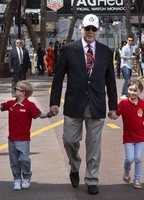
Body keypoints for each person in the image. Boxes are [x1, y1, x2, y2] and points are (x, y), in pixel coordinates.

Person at [49, 14, 117, 195]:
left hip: (97, 105)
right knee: (70, 141)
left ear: (98, 31)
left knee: (94, 145)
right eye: (87, 28)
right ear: (81, 29)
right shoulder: (69, 49)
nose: (90, 32)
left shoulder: (106, 51)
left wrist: (114, 106)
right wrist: (54, 102)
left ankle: (92, 179)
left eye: (94, 29)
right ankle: (74, 166)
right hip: (73, 104)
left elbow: (110, 81)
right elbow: (58, 77)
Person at [0, 80, 53, 190]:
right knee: (14, 161)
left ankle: (26, 177)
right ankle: (17, 179)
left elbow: (40, 115)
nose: (14, 90)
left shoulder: (29, 105)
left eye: (16, 89)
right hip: (11, 139)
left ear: (23, 93)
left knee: (24, 159)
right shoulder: (11, 104)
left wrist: (50, 114)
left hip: (23, 139)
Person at [109, 79, 144, 189]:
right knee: (129, 158)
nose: (132, 92)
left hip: (140, 137)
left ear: (140, 92)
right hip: (128, 137)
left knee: (138, 158)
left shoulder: (142, 104)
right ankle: (127, 171)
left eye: (135, 90)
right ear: (127, 90)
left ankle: (137, 179)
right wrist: (111, 114)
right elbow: (116, 115)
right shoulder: (123, 103)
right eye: (130, 90)